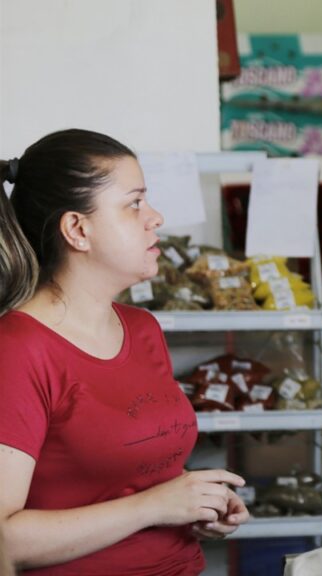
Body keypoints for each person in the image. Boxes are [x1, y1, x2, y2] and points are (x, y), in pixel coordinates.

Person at [0, 129, 250, 575]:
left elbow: (137, 478)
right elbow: (4, 538)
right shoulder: (18, 349)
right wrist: (155, 506)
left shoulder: (142, 328)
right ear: (78, 229)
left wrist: (196, 506)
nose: (155, 218)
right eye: (134, 204)